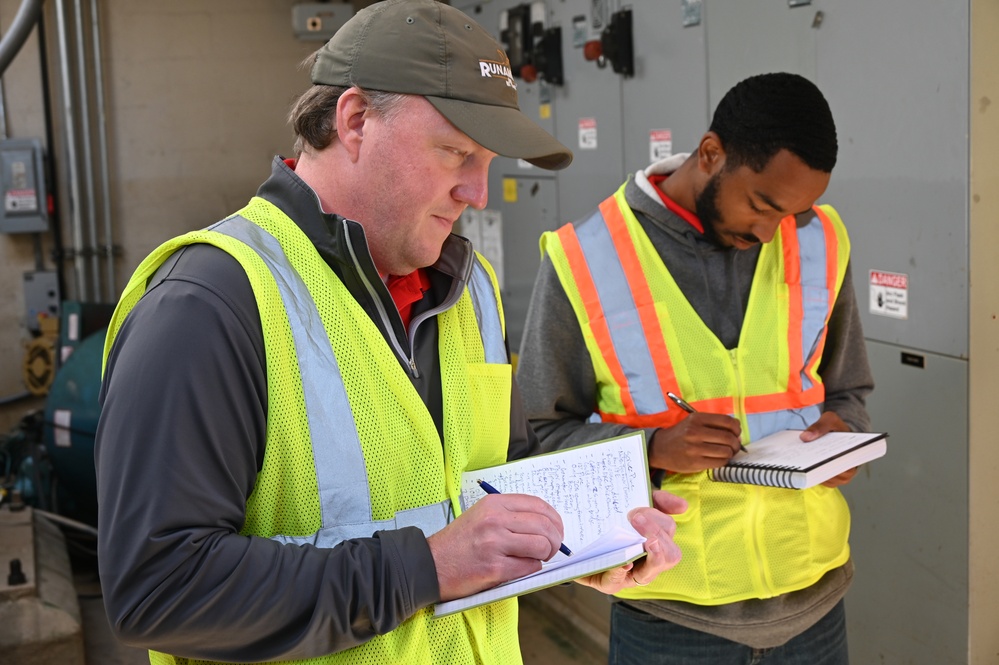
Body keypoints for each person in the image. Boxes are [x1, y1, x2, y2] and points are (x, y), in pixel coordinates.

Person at [93, 1, 686, 664]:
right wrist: (425, 567)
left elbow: (486, 483)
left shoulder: (469, 287)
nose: (477, 192)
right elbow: (158, 588)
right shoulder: (212, 302)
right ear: (353, 121)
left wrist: (584, 540)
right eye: (455, 152)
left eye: (484, 161)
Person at [517, 72, 874, 664]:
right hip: (671, 616)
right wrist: (650, 449)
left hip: (815, 599)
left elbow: (848, 388)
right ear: (711, 154)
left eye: (793, 213)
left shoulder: (819, 240)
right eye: (761, 205)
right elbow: (535, 439)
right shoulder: (586, 258)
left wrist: (845, 431)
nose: (770, 232)